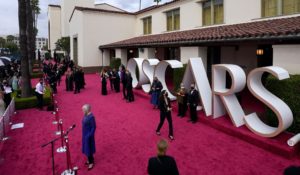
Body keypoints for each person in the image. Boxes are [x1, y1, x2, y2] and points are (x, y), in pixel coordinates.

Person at [82, 104, 96, 171]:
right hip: (85, 134)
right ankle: (90, 159)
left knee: (89, 148)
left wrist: (89, 135)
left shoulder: (91, 117)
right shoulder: (85, 115)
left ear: (87, 110)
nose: (82, 111)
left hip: (88, 135)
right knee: (86, 148)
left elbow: (94, 127)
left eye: (83, 110)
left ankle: (91, 162)